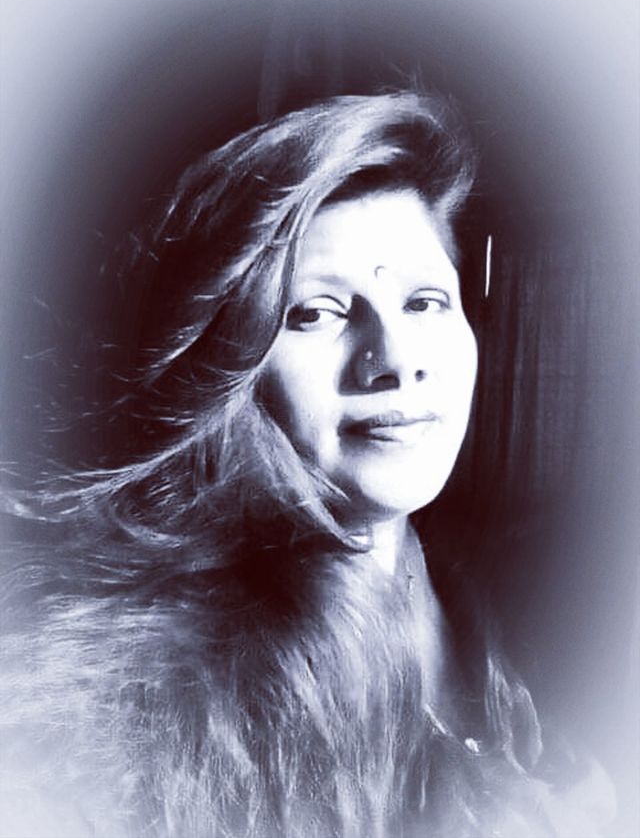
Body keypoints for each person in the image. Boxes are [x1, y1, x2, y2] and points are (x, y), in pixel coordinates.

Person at [0, 91, 613, 837]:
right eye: (315, 313)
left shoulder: (521, 606)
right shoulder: (141, 700)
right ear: (232, 362)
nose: (395, 360)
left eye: (424, 302)